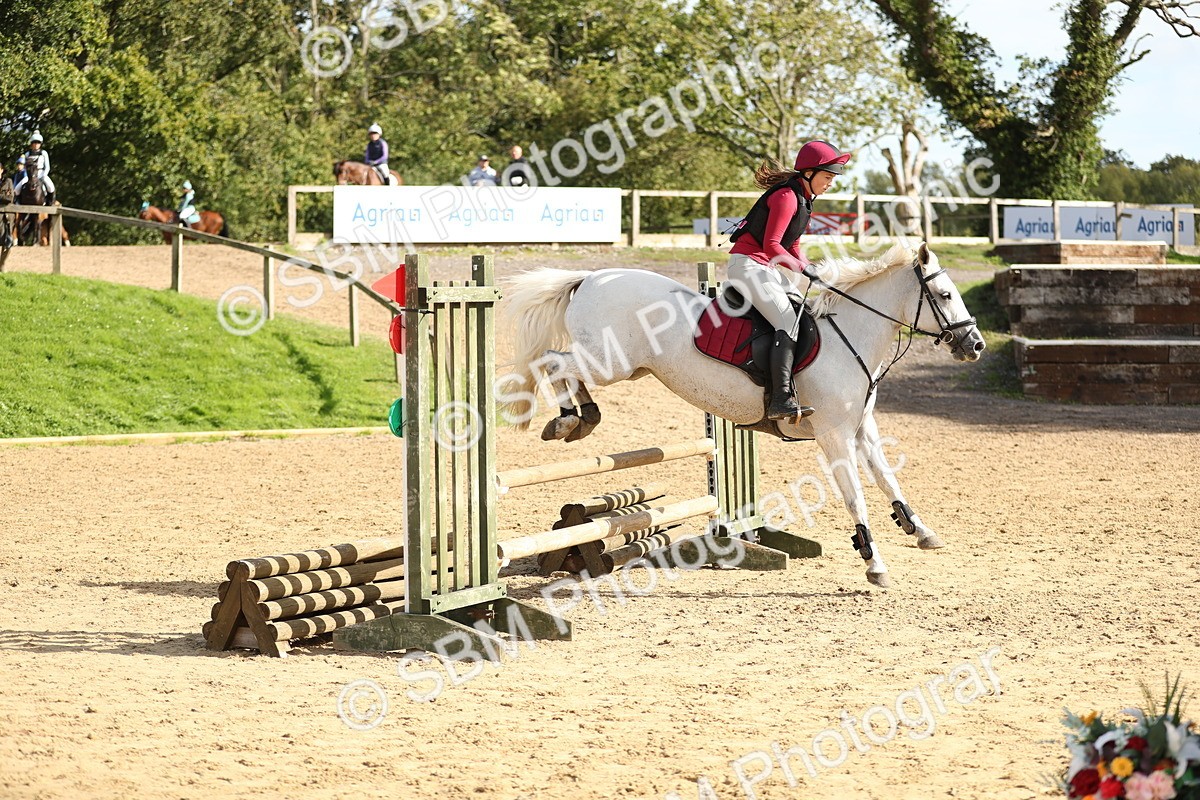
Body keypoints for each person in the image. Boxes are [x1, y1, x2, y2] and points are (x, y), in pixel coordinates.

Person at [727, 140, 852, 420]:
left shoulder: (804, 200)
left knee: (801, 312)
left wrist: (813, 268)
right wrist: (802, 269)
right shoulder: (786, 197)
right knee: (786, 320)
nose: (830, 183)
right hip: (747, 265)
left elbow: (792, 247)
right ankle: (780, 399)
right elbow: (772, 246)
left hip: (764, 268)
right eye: (827, 176)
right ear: (809, 172)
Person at [12, 131, 55, 206]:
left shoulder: (43, 153)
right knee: (17, 188)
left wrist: (44, 175)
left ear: (40, 144)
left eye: (38, 143)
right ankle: (17, 202)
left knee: (51, 187)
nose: (36, 145)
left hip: (41, 173)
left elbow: (47, 167)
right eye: (34, 143)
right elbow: (25, 166)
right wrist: (27, 175)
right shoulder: (27, 154)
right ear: (31, 144)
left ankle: (50, 203)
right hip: (29, 174)